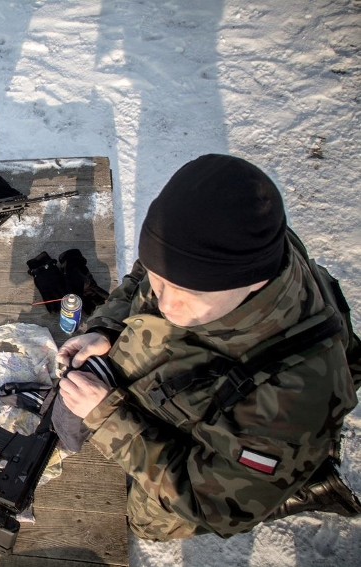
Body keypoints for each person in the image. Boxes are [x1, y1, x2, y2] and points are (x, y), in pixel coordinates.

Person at [53, 154, 360, 540]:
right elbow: (140, 278)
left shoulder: (290, 397)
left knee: (146, 521)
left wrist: (110, 418)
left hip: (241, 441)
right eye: (160, 281)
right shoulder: (228, 253)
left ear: (254, 281)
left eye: (188, 293)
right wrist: (108, 326)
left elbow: (210, 504)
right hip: (180, 385)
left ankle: (298, 487)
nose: (165, 304)